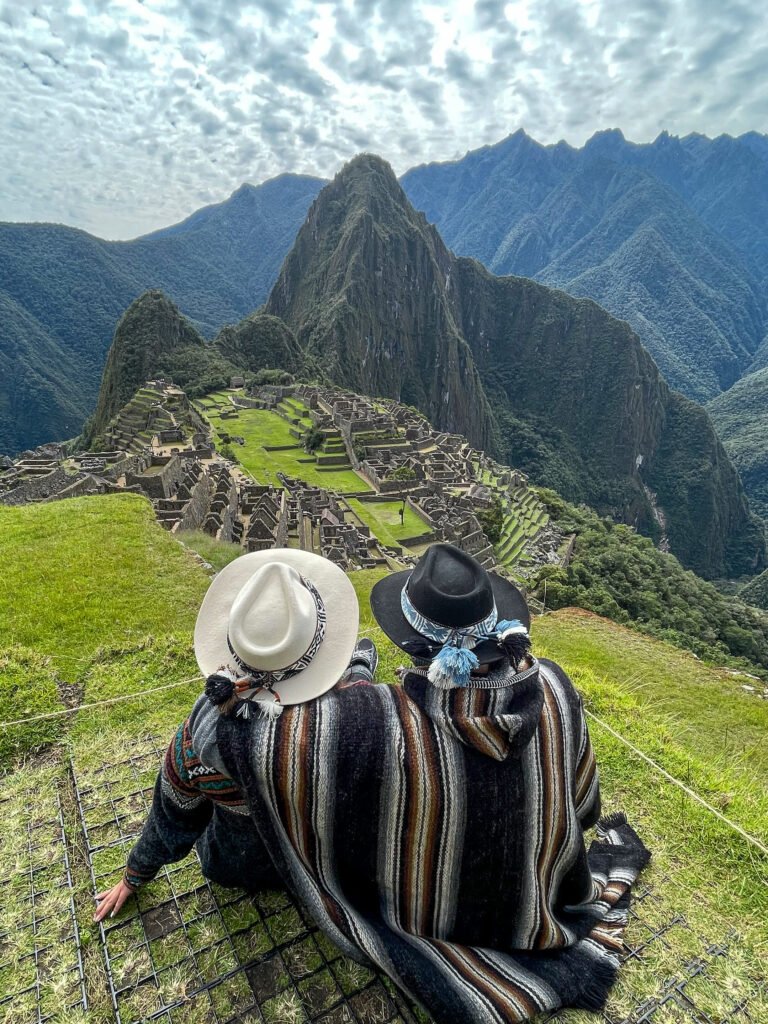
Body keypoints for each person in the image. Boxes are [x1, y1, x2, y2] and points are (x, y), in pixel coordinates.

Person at [94, 549, 377, 923]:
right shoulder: (338, 722)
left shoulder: (200, 737)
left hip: (237, 865)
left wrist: (134, 876)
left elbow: (172, 815)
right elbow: (355, 691)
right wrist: (358, 664)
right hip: (317, 869)